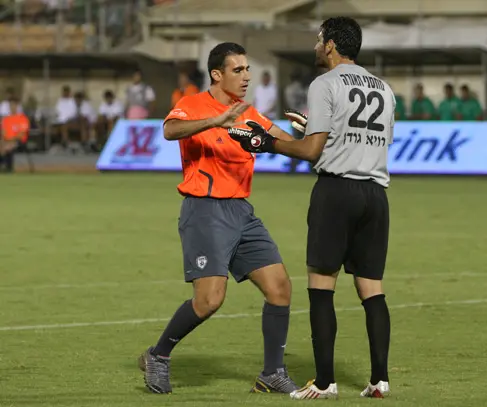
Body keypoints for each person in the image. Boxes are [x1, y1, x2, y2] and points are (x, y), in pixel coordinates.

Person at [227, 17, 395, 399]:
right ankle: (379, 380)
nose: (316, 46)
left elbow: (311, 151)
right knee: (372, 289)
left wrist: (264, 142)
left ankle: (324, 383)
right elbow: (367, 140)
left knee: (321, 288)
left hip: (336, 192)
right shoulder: (384, 88)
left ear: (332, 45)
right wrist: (315, 130)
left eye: (320, 40)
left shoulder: (325, 83)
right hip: (375, 194)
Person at [138, 42, 299, 396]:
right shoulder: (193, 105)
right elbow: (169, 131)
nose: (246, 77)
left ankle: (272, 373)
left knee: (280, 289)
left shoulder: (249, 113)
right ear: (217, 74)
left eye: (247, 70)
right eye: (237, 70)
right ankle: (158, 355)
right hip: (205, 209)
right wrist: (216, 120)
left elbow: (287, 143)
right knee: (210, 300)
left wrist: (311, 137)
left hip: (242, 212)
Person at [0, 98, 29, 172]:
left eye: (14, 105)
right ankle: (4, 165)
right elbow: (3, 133)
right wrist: (4, 141)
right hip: (7, 141)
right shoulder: (6, 119)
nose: (12, 107)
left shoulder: (22, 118)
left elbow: (22, 134)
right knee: (3, 145)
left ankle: (8, 167)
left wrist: (11, 140)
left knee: (9, 145)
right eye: (10, 105)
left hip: (19, 141)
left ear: (17, 106)